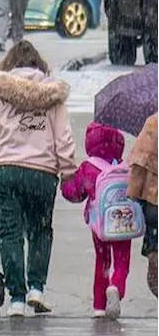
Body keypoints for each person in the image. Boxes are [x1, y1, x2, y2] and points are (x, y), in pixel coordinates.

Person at [0, 41, 76, 318]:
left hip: (4, 172)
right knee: (40, 230)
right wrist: (69, 171)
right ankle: (37, 288)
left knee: (9, 234)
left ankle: (16, 298)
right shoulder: (53, 95)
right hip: (42, 173)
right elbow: (63, 138)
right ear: (39, 66)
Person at [61, 122, 131, 319]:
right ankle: (116, 287)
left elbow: (75, 194)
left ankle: (99, 307)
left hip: (99, 224)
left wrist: (65, 181)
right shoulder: (124, 167)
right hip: (122, 223)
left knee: (102, 262)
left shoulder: (88, 167)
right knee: (121, 261)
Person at [127, 113, 159, 299]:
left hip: (154, 199)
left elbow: (139, 165)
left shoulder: (153, 123)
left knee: (154, 251)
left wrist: (133, 195)